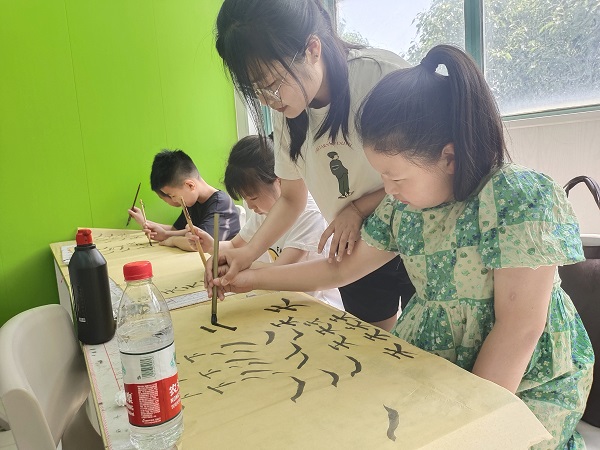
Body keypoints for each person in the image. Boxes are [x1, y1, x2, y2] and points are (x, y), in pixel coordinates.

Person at [211, 45, 594, 448]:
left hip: (521, 379)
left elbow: (519, 329)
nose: (387, 191)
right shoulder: (404, 208)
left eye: (395, 178)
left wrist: (470, 427)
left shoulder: (518, 198)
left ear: (449, 157)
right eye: (381, 177)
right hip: (440, 361)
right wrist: (251, 279)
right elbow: (339, 269)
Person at [211, 0, 415, 331]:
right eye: (254, 90)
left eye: (271, 83)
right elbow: (292, 197)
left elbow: (423, 176)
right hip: (351, 242)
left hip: (417, 234)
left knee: (430, 344)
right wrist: (245, 255)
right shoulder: (288, 111)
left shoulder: (379, 77)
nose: (267, 100)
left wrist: (358, 209)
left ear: (312, 49)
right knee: (375, 343)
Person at [187, 135, 343, 310]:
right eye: (245, 199)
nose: (250, 206)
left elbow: (279, 270)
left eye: (253, 197)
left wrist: (233, 263)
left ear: (279, 181)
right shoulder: (264, 211)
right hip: (279, 300)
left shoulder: (310, 214)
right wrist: (212, 246)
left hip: (315, 305)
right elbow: (234, 246)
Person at [128, 149, 240, 248]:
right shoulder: (192, 201)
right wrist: (164, 234)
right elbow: (177, 230)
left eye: (173, 196)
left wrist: (172, 240)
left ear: (190, 185)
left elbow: (198, 244)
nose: (174, 200)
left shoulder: (220, 205)